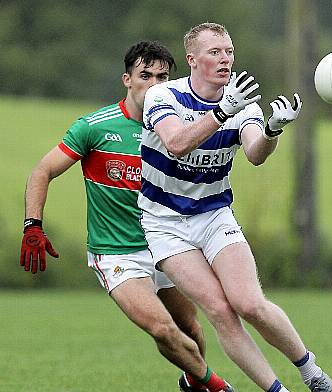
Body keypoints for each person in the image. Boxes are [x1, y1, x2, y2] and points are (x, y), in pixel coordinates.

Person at [139, 22, 332, 392]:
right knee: (220, 311)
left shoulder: (241, 101)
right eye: (214, 52)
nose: (225, 59)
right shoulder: (163, 96)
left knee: (250, 303)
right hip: (164, 222)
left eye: (229, 52)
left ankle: (314, 375)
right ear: (192, 60)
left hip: (213, 214)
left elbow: (255, 154)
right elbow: (176, 144)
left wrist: (272, 130)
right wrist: (220, 112)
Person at [20, 40, 234, 392]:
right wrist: (33, 224)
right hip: (117, 253)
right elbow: (42, 171)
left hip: (165, 247)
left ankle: (194, 384)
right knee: (163, 329)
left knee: (191, 331)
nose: (152, 84)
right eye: (144, 75)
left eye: (161, 77)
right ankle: (218, 387)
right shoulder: (94, 127)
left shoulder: (179, 130)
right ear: (127, 79)